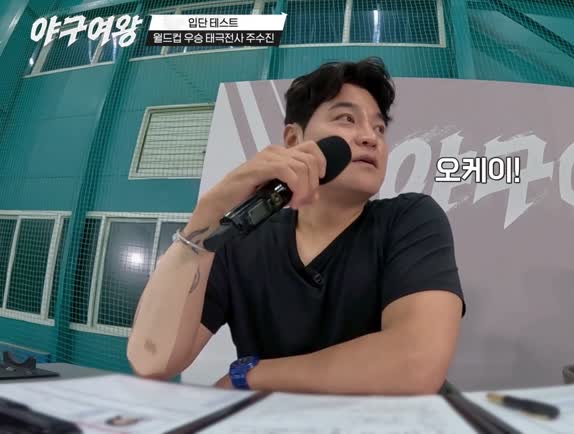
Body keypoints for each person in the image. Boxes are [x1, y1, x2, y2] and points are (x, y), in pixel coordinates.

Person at [127, 57, 465, 395]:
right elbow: (152, 360)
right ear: (293, 139)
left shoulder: (410, 218)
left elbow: (415, 363)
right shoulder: (242, 241)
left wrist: (249, 376)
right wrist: (206, 216)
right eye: (347, 118)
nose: (370, 138)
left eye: (379, 128)